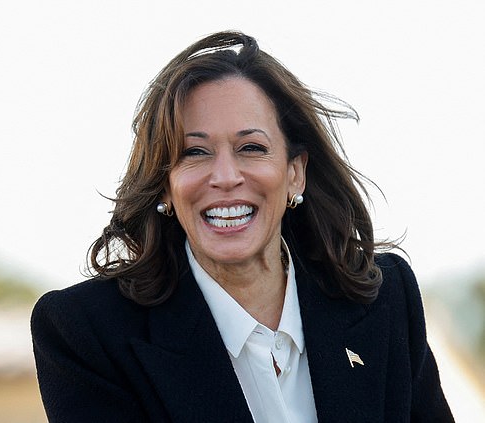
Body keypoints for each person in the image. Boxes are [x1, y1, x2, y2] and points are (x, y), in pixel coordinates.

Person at [31, 31, 454, 422]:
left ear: (295, 174)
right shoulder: (85, 333)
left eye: (251, 147)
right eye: (194, 152)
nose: (226, 176)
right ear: (165, 186)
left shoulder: (386, 301)